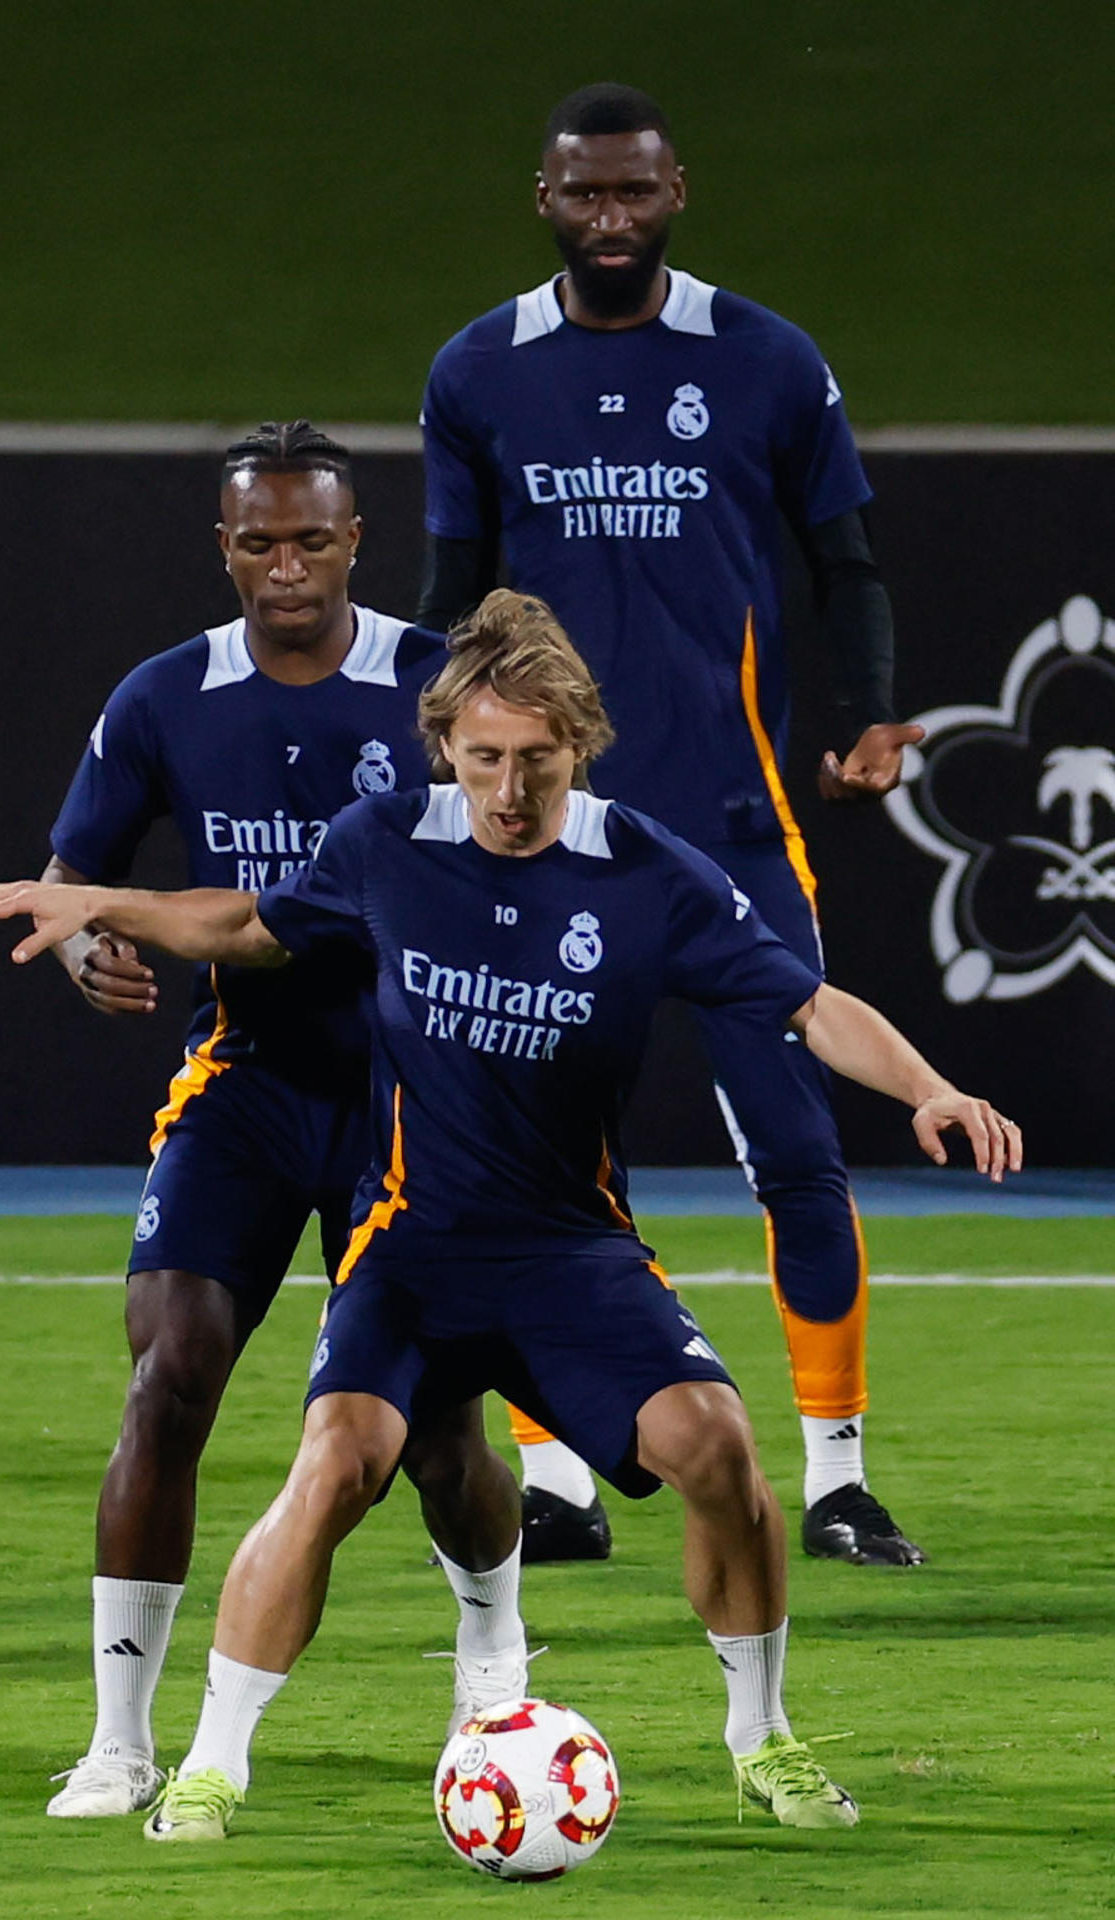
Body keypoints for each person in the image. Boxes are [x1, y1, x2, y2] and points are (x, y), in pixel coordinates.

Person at [0, 590, 1021, 1843]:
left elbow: (809, 1004)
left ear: (582, 744)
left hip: (575, 1256)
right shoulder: (387, 839)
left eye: (539, 760)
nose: (510, 789)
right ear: (446, 744)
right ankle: (208, 1765)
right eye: (485, 758)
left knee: (720, 1453)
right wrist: (99, 903)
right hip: (412, 1252)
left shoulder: (642, 869)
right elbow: (246, 925)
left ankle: (761, 1740)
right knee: (336, 1465)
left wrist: (934, 1088)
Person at [417, 83, 929, 1569]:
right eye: (585, 195)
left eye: (635, 193)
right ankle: (564, 1487)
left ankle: (834, 1477)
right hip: (532, 828)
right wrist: (437, 779)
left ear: (676, 192)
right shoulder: (478, 370)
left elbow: (849, 561)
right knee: (525, 1153)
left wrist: (873, 712)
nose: (611, 219)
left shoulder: (765, 358)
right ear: (545, 200)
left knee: (795, 1143)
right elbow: (455, 602)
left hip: (728, 823)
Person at [33, 422, 522, 1820]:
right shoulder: (164, 696)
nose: (288, 566)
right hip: (246, 1086)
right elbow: (80, 876)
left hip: (415, 1098)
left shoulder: (438, 686)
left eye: (314, 538)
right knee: (169, 1367)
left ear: (358, 540)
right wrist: (85, 952)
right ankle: (122, 1738)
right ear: (225, 546)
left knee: (433, 1430)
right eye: (260, 541)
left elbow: (528, 855)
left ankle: (490, 1646)